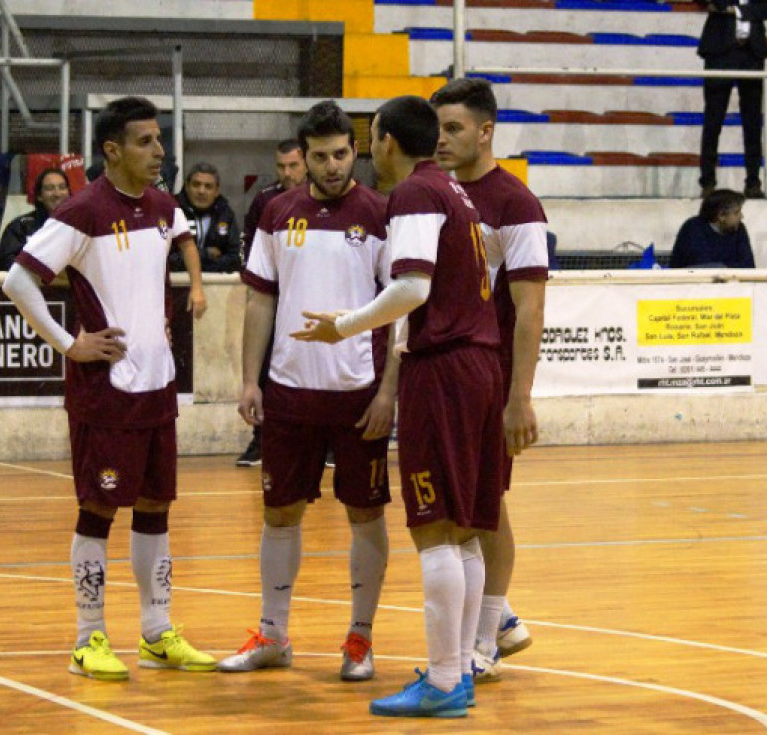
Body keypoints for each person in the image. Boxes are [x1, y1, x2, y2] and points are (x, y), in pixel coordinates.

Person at [293, 95, 504, 719]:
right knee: (462, 532)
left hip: (445, 371)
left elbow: (412, 285)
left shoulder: (415, 193)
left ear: (384, 141)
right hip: (480, 366)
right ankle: (458, 670)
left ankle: (443, 683)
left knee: (435, 528)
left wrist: (346, 326)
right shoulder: (455, 192)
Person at [2, 96, 214, 681]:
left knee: (155, 508)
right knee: (98, 510)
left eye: (160, 140)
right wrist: (70, 345)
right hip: (106, 391)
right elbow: (17, 281)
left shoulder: (165, 206)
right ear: (112, 150)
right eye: (146, 141)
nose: (159, 152)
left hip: (157, 384)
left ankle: (156, 631)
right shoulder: (82, 210)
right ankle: (87, 637)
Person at [217, 100, 396, 682]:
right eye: (319, 156)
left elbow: (402, 312)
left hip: (359, 395)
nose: (332, 165)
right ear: (303, 157)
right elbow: (260, 299)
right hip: (290, 391)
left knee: (365, 516)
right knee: (279, 513)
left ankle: (360, 639)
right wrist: (251, 378)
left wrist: (388, 392)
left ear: (356, 150)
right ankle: (273, 636)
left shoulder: (381, 214)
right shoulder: (275, 213)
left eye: (341, 153)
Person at [430, 77, 547, 682]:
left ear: (486, 132)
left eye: (454, 128)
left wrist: (518, 396)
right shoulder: (434, 192)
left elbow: (530, 308)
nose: (442, 139)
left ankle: (488, 636)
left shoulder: (515, 204)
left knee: (485, 507)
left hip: (490, 378)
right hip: (446, 377)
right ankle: (499, 620)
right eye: (438, 128)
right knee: (468, 507)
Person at [236, 139, 309, 467]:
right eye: (281, 167)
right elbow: (249, 247)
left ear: (305, 163)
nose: (287, 173)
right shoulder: (265, 200)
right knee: (265, 367)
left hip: (314, 299)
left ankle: (330, 445)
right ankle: (260, 440)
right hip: (274, 299)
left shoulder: (331, 197)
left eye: (293, 165)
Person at [696, 0, 767, 199]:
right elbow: (713, 4)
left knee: (753, 121)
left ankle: (753, 180)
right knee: (713, 119)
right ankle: (708, 181)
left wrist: (733, 10)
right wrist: (744, 10)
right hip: (720, 51)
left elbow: (765, 9)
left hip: (752, 53)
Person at [170, 161, 242, 274]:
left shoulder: (226, 214)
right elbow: (168, 260)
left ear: (217, 191)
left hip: (217, 285)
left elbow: (234, 260)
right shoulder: (173, 211)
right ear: (187, 187)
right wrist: (205, 254)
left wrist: (204, 266)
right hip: (178, 284)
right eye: (196, 185)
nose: (201, 191)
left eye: (208, 186)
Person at [0, 168, 71, 271]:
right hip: (33, 285)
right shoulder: (21, 226)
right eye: (50, 188)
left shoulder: (81, 226)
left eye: (62, 187)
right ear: (39, 196)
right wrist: (41, 270)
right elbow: (6, 262)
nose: (57, 194)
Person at [670, 188, 756, 268]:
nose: (741, 216)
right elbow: (701, 267)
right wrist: (725, 268)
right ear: (721, 216)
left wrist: (723, 269)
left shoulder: (739, 229)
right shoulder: (693, 228)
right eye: (736, 212)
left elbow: (749, 266)